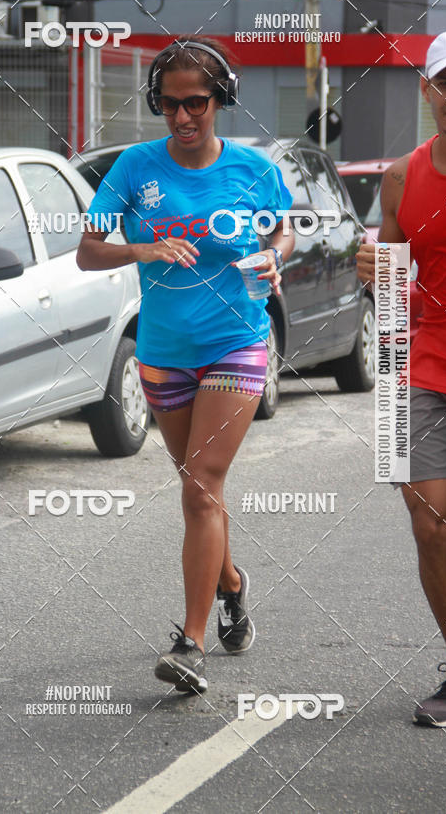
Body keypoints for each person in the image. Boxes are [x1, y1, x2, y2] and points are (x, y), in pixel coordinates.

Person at [76, 36, 294, 693]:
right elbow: (88, 250)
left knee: (201, 485)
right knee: (199, 493)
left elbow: (282, 226)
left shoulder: (252, 170)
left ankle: (190, 644)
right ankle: (230, 584)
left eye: (195, 102)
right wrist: (144, 250)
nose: (182, 116)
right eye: (169, 105)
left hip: (236, 342)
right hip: (164, 355)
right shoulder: (135, 169)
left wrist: (274, 255)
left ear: (219, 98)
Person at [357, 28, 446, 727]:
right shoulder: (403, 175)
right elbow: (397, 281)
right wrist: (374, 273)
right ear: (426, 89)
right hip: (427, 371)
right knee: (430, 526)